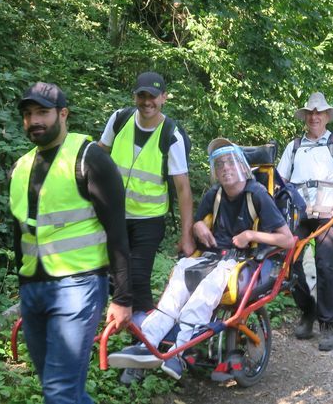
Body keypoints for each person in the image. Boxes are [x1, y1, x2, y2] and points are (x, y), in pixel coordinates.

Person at [108, 138, 294, 380]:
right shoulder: (214, 194)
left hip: (240, 261)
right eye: (220, 165)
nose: (225, 169)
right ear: (214, 171)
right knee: (175, 289)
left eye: (230, 163)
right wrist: (198, 227)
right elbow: (198, 220)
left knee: (203, 294)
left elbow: (288, 240)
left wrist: (250, 234)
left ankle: (178, 354)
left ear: (241, 166)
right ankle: (147, 347)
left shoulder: (257, 194)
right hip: (209, 257)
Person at [10, 82, 132, 404]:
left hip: (78, 286)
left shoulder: (89, 158)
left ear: (63, 114)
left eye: (42, 112)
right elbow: (19, 232)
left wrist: (123, 297)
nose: (34, 120)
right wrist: (23, 283)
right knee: (64, 389)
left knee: (59, 391)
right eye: (28, 114)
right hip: (33, 288)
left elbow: (118, 232)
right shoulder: (20, 167)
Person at [99, 71, 195, 313]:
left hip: (148, 221)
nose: (147, 101)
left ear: (163, 98)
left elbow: (183, 188)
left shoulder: (171, 135)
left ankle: (146, 338)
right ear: (135, 97)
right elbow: (98, 157)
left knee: (138, 279)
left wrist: (186, 236)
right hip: (115, 215)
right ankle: (143, 332)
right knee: (113, 279)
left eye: (152, 96)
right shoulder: (119, 119)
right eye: (142, 95)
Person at [276, 92, 333, 351]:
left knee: (325, 265)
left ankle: (327, 325)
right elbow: (280, 179)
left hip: (327, 209)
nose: (313, 117)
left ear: (326, 116)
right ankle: (308, 310)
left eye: (318, 113)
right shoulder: (294, 146)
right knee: (289, 263)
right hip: (298, 212)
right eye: (310, 113)